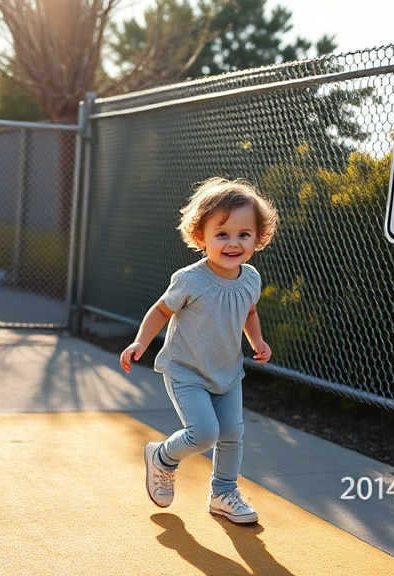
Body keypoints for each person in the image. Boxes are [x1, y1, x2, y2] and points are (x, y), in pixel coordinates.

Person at [120, 176, 279, 524]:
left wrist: (257, 341)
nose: (233, 243)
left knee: (232, 435)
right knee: (204, 434)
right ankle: (162, 458)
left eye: (244, 234)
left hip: (228, 373)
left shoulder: (251, 278)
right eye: (222, 234)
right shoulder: (190, 279)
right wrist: (140, 342)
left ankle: (223, 493)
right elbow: (161, 310)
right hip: (186, 370)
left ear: (257, 237)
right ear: (200, 236)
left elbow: (249, 312)